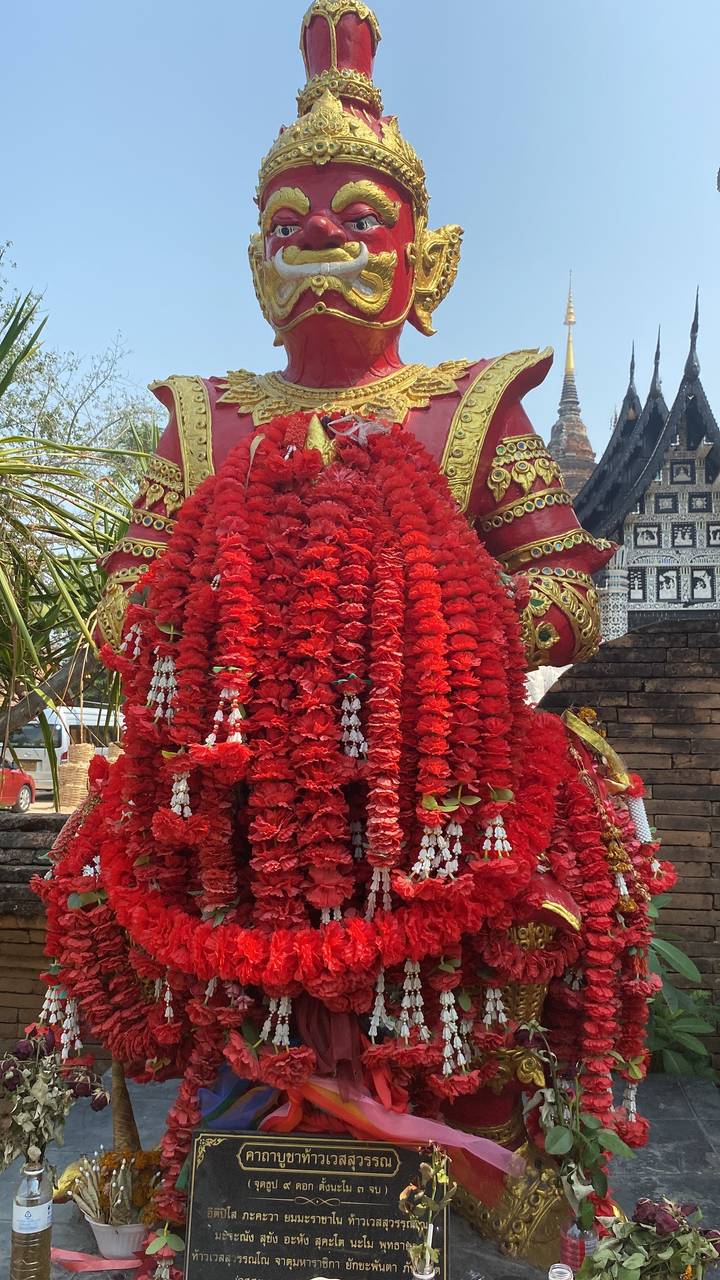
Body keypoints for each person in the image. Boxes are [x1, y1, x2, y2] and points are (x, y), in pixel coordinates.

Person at [37, 1, 673, 1252]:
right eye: (291, 222)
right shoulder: (205, 417)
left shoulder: (476, 407)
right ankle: (220, 1202)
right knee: (109, 904)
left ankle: (454, 1188)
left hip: (432, 810)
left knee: (562, 891)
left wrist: (410, 595)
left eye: (360, 218)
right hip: (232, 817)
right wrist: (239, 582)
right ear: (257, 261)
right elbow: (123, 604)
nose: (321, 234)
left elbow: (565, 595)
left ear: (424, 261)